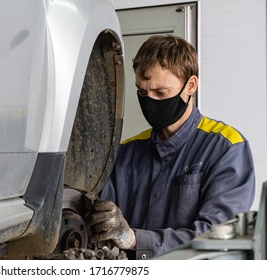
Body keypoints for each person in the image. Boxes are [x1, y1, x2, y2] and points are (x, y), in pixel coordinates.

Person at [86, 35, 255, 259]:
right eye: (142, 93)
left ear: (190, 86)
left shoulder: (226, 148)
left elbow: (217, 239)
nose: (150, 102)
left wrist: (134, 239)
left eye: (161, 93)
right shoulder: (126, 152)